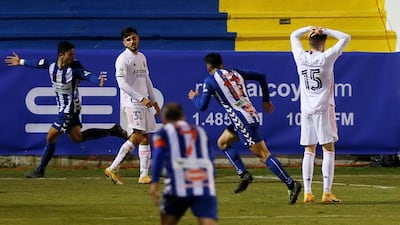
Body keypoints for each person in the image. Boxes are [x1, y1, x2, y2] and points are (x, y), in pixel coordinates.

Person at [188, 53, 302, 204]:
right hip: (248, 116)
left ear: (209, 68)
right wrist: (266, 100)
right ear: (222, 64)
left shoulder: (210, 80)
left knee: (264, 155)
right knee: (223, 143)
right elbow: (261, 76)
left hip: (243, 121)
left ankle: (291, 184)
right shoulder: (236, 72)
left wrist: (194, 97)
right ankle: (244, 174)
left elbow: (202, 106)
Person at [5, 41, 128, 178]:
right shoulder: (50, 65)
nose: (73, 57)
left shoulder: (75, 68)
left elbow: (86, 74)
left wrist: (97, 80)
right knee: (77, 138)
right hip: (64, 108)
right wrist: (20, 61)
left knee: (51, 136)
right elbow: (36, 63)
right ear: (61, 55)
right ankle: (112, 130)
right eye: (70, 54)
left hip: (69, 109)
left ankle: (40, 170)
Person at [290, 26, 350, 203]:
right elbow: (346, 36)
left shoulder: (300, 57)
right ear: (323, 43)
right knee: (328, 149)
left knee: (309, 149)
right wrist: (327, 30)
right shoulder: (326, 58)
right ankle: (326, 192)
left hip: (307, 109)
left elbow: (293, 34)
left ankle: (308, 192)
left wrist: (310, 28)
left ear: (309, 42)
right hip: (324, 108)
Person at [104, 27, 161, 184]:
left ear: (138, 38)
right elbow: (121, 83)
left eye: (134, 38)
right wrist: (140, 98)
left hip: (144, 102)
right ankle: (113, 168)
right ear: (124, 42)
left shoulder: (142, 57)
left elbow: (147, 79)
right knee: (137, 135)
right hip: (132, 102)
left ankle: (143, 175)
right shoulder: (122, 59)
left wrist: (154, 101)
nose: (132, 42)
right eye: (128, 39)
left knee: (145, 137)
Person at [150, 103, 218, 225]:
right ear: (183, 117)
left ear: (164, 119)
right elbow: (211, 158)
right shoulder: (200, 131)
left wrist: (154, 183)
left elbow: (158, 155)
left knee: (167, 221)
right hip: (203, 184)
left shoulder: (163, 132)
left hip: (177, 186)